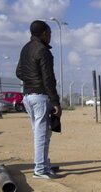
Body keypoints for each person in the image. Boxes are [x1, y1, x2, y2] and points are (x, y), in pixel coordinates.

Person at [16, 20, 61, 179]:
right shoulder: (43, 51)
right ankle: (40, 169)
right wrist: (55, 101)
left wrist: (31, 80)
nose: (50, 36)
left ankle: (44, 164)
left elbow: (19, 72)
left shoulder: (26, 49)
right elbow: (48, 79)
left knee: (41, 133)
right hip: (40, 97)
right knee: (42, 134)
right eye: (49, 33)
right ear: (44, 33)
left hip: (28, 97)